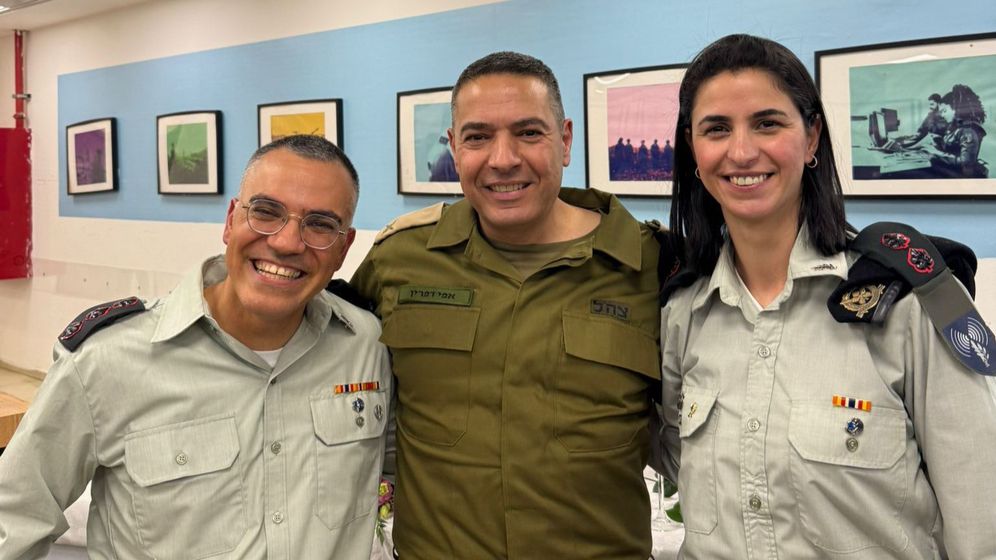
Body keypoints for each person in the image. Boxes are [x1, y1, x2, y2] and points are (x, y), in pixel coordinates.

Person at [658, 34, 996, 559]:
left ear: (812, 137)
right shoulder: (683, 311)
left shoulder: (912, 299)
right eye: (717, 128)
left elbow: (981, 521)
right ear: (694, 151)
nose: (741, 151)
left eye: (767, 123)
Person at [0, 134, 393, 558]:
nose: (286, 242)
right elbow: (13, 521)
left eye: (320, 225)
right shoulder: (106, 360)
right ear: (230, 221)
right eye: (266, 212)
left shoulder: (366, 346)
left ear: (343, 248)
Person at [350, 51, 661, 558]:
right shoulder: (399, 259)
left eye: (528, 132)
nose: (502, 159)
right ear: (454, 147)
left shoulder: (651, 266)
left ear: (565, 140)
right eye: (477, 137)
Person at [921, 84, 988, 178]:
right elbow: (954, 148)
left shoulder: (968, 131)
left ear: (955, 109)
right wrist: (938, 141)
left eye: (944, 111)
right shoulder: (958, 127)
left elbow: (966, 163)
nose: (942, 115)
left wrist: (935, 153)